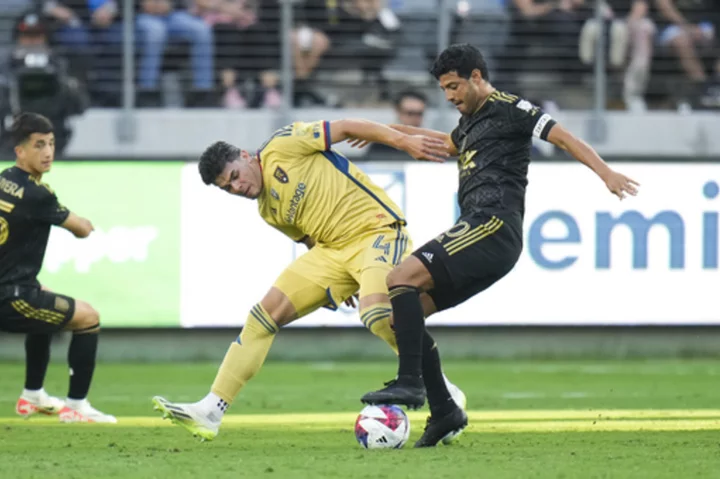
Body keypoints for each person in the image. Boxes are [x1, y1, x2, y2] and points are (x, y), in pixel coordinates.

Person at [359, 44, 640, 447]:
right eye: (444, 90)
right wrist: (386, 133)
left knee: (400, 277)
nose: (450, 96)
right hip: (477, 229)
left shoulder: (511, 108)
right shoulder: (469, 122)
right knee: (399, 318)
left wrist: (606, 173)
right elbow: (446, 144)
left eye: (454, 86)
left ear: (476, 77)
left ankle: (410, 384)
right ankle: (444, 412)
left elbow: (562, 137)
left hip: (493, 224)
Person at [151, 118, 466, 441]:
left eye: (234, 176)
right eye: (227, 188)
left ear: (246, 156)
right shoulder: (268, 210)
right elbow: (310, 240)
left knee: (376, 315)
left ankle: (442, 390)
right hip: (332, 252)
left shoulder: (283, 144)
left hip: (376, 232)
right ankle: (211, 410)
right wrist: (342, 280)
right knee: (263, 316)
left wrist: (402, 141)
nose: (237, 187)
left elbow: (345, 127)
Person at [0, 112, 115, 423]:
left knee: (45, 307)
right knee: (88, 317)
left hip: (15, 286)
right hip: (9, 296)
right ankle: (77, 407)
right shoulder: (38, 194)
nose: (48, 152)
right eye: (38, 145)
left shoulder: (4, 180)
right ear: (20, 151)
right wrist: (88, 225)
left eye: (51, 143)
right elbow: (80, 228)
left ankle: (33, 395)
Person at [365, 89, 427, 161]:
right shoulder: (381, 143)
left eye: (419, 114)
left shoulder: (430, 144)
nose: (415, 118)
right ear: (398, 111)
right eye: (410, 113)